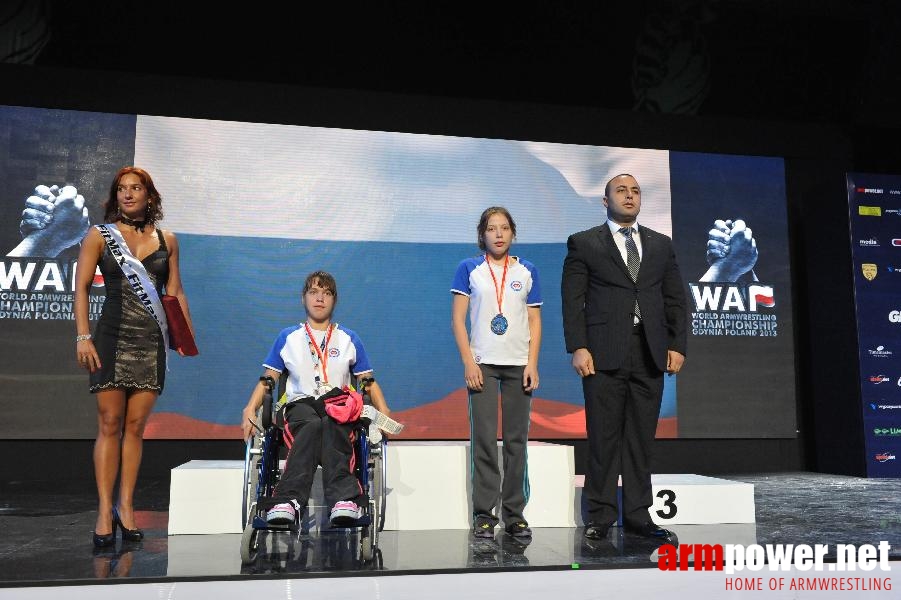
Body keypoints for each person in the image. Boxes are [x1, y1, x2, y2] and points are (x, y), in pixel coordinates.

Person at [561, 174, 686, 543]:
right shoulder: (584, 243)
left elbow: (676, 299)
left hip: (649, 352)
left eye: (635, 191)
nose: (629, 196)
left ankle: (637, 516)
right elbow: (573, 301)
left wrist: (677, 345)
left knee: (640, 439)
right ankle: (599, 515)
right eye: (621, 191)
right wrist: (578, 347)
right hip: (602, 353)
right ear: (605, 201)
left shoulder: (661, 245)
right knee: (603, 437)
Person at [74, 166, 195, 548]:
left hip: (150, 341)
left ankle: (126, 507)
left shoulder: (168, 240)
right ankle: (103, 510)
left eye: (135, 188)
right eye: (122, 189)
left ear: (149, 196)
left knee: (136, 426)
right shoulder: (100, 236)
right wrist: (82, 336)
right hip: (110, 336)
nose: (128, 194)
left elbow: (174, 290)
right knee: (110, 422)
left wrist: (185, 338)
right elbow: (79, 289)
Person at [240, 271, 392, 528]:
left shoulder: (349, 339)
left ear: (335, 300)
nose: (320, 298)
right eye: (314, 292)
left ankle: (344, 500)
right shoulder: (288, 337)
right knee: (311, 423)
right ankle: (287, 501)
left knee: (331, 423)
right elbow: (269, 378)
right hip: (300, 407)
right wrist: (250, 408)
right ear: (303, 298)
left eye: (327, 293)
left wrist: (384, 412)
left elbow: (367, 381)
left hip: (337, 408)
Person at [451, 207, 543, 539]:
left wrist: (532, 363)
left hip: (519, 364)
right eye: (492, 229)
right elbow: (458, 321)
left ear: (513, 233)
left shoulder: (528, 271)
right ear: (482, 235)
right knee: (486, 441)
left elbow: (534, 321)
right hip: (483, 365)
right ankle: (484, 513)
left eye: (505, 228)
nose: (499, 234)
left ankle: (515, 513)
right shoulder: (469, 269)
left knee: (517, 441)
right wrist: (468, 362)